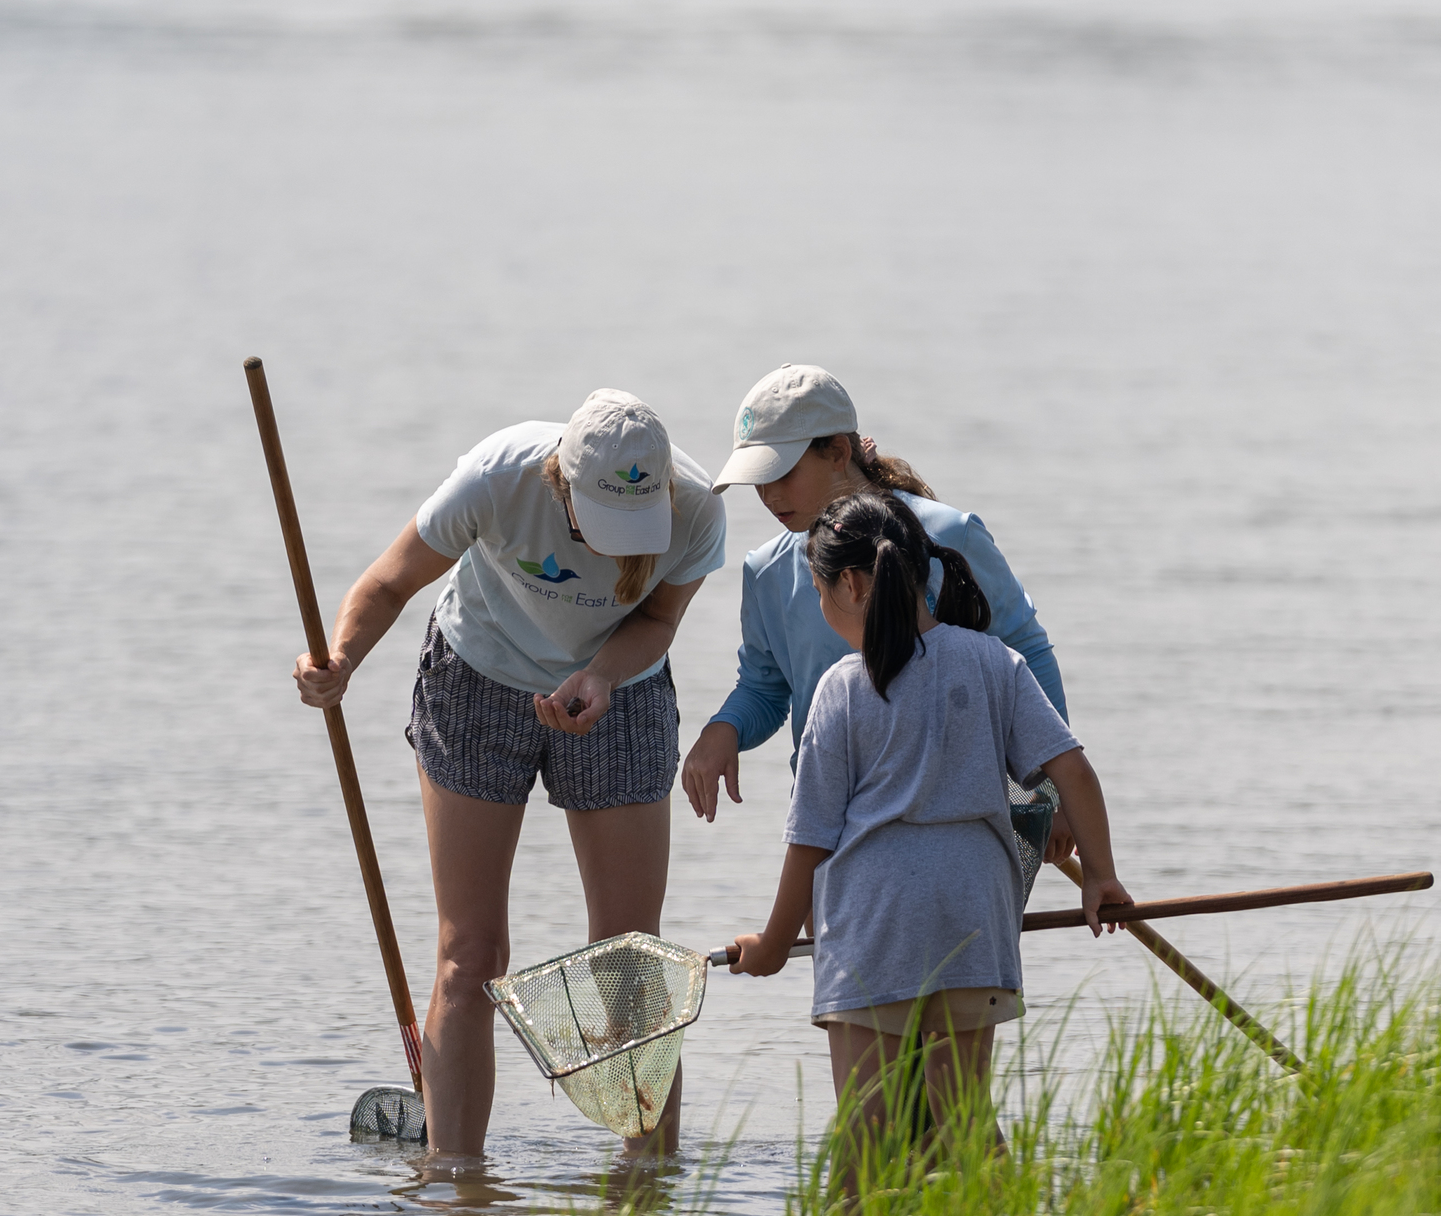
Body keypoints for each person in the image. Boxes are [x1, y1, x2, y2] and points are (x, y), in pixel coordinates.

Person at [293, 391, 726, 1160]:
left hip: (620, 690)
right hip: (478, 678)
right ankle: (456, 1195)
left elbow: (657, 621)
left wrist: (600, 675)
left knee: (627, 956)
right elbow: (389, 583)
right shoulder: (497, 478)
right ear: (561, 482)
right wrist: (341, 661)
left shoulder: (695, 510)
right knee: (472, 956)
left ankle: (648, 1192)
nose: (618, 546)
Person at [727, 493, 1129, 1146]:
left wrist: (775, 942)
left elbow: (811, 838)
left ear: (851, 584)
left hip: (875, 926)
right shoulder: (995, 660)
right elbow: (1074, 771)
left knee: (868, 1134)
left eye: (821, 594)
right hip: (973, 919)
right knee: (963, 1124)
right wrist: (1101, 877)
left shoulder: (843, 687)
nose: (824, 611)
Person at [681, 365, 1072, 864]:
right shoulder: (766, 571)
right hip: (830, 826)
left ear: (839, 453)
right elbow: (765, 688)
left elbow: (1027, 653)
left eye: (782, 473)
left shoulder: (953, 535)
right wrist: (725, 729)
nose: (768, 495)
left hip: (959, 820)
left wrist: (1053, 795)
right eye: (757, 480)